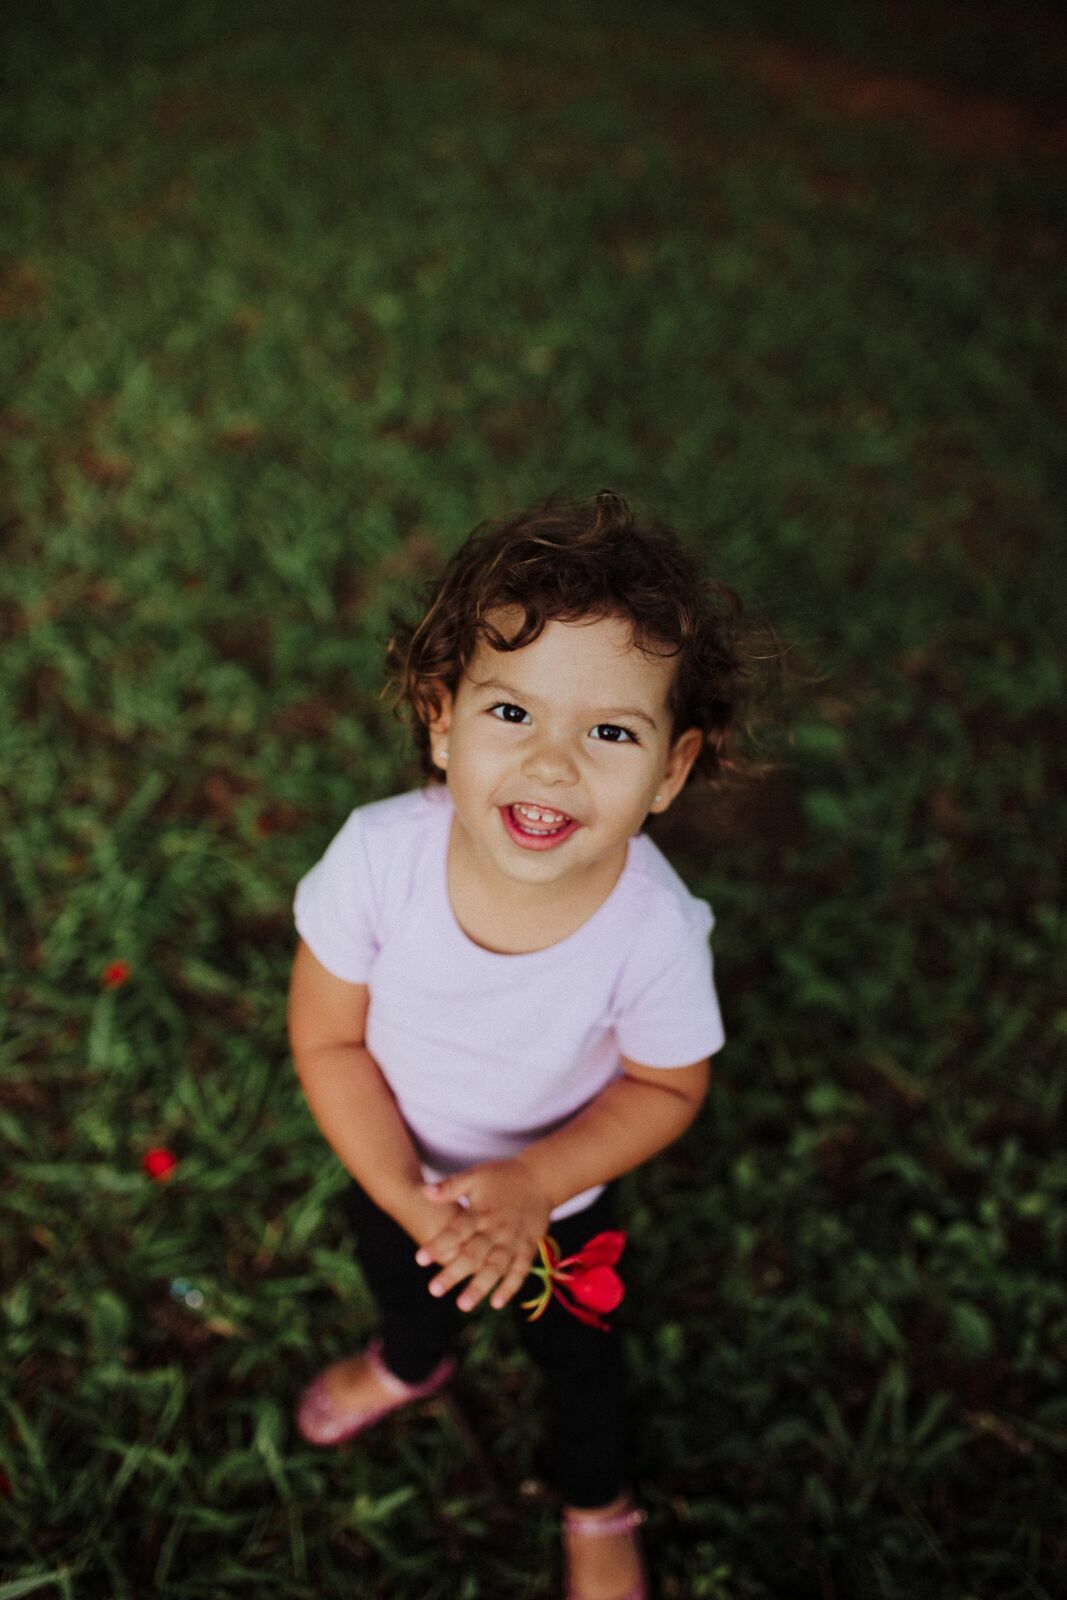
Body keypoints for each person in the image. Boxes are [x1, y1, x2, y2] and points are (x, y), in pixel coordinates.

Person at [288, 488, 772, 1600]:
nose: (553, 764)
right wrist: (413, 1201)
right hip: (398, 1163)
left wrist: (530, 1184)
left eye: (609, 731)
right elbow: (327, 1044)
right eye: (513, 714)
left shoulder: (651, 928)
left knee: (583, 1364)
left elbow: (664, 1083)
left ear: (671, 768)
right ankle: (410, 1362)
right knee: (405, 1288)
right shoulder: (376, 862)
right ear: (440, 716)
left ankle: (596, 1499)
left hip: (561, 1202)